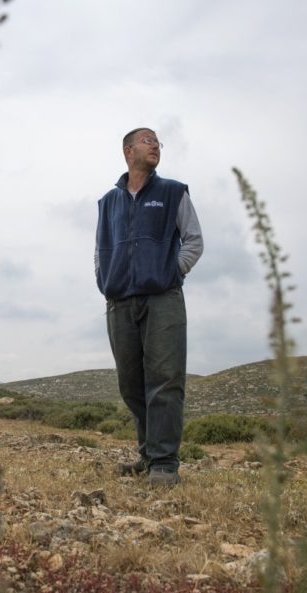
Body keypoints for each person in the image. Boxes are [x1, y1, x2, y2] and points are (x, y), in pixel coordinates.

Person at [94, 127, 203, 486]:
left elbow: (193, 241)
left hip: (163, 299)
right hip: (119, 301)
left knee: (165, 379)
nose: (155, 145)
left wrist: (171, 272)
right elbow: (100, 250)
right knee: (131, 384)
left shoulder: (173, 192)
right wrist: (105, 281)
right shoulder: (108, 202)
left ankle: (165, 463)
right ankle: (147, 454)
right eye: (147, 140)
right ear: (128, 150)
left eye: (158, 142)